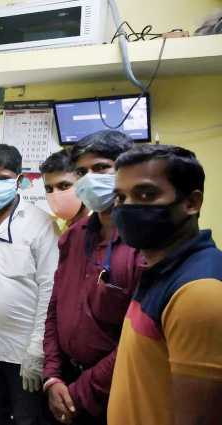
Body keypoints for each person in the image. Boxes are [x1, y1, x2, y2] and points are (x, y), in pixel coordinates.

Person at [108, 145, 222, 425]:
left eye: (146, 194)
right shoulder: (160, 267)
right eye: (120, 197)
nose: (127, 207)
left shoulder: (199, 293)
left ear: (191, 202)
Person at [42, 130, 142, 425]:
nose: (89, 179)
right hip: (65, 380)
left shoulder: (144, 244)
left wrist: (80, 393)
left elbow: (137, 339)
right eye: (81, 172)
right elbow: (55, 308)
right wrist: (52, 376)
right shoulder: (73, 237)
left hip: (116, 390)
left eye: (100, 168)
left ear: (127, 171)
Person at [0, 144, 59, 425]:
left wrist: (37, 350)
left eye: (3, 178)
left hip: (23, 352)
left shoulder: (41, 223)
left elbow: (49, 289)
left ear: (19, 180)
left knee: (28, 419)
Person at [40, 149, 88, 231]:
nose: (55, 195)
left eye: (64, 186)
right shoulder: (54, 226)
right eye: (49, 189)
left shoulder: (105, 225)